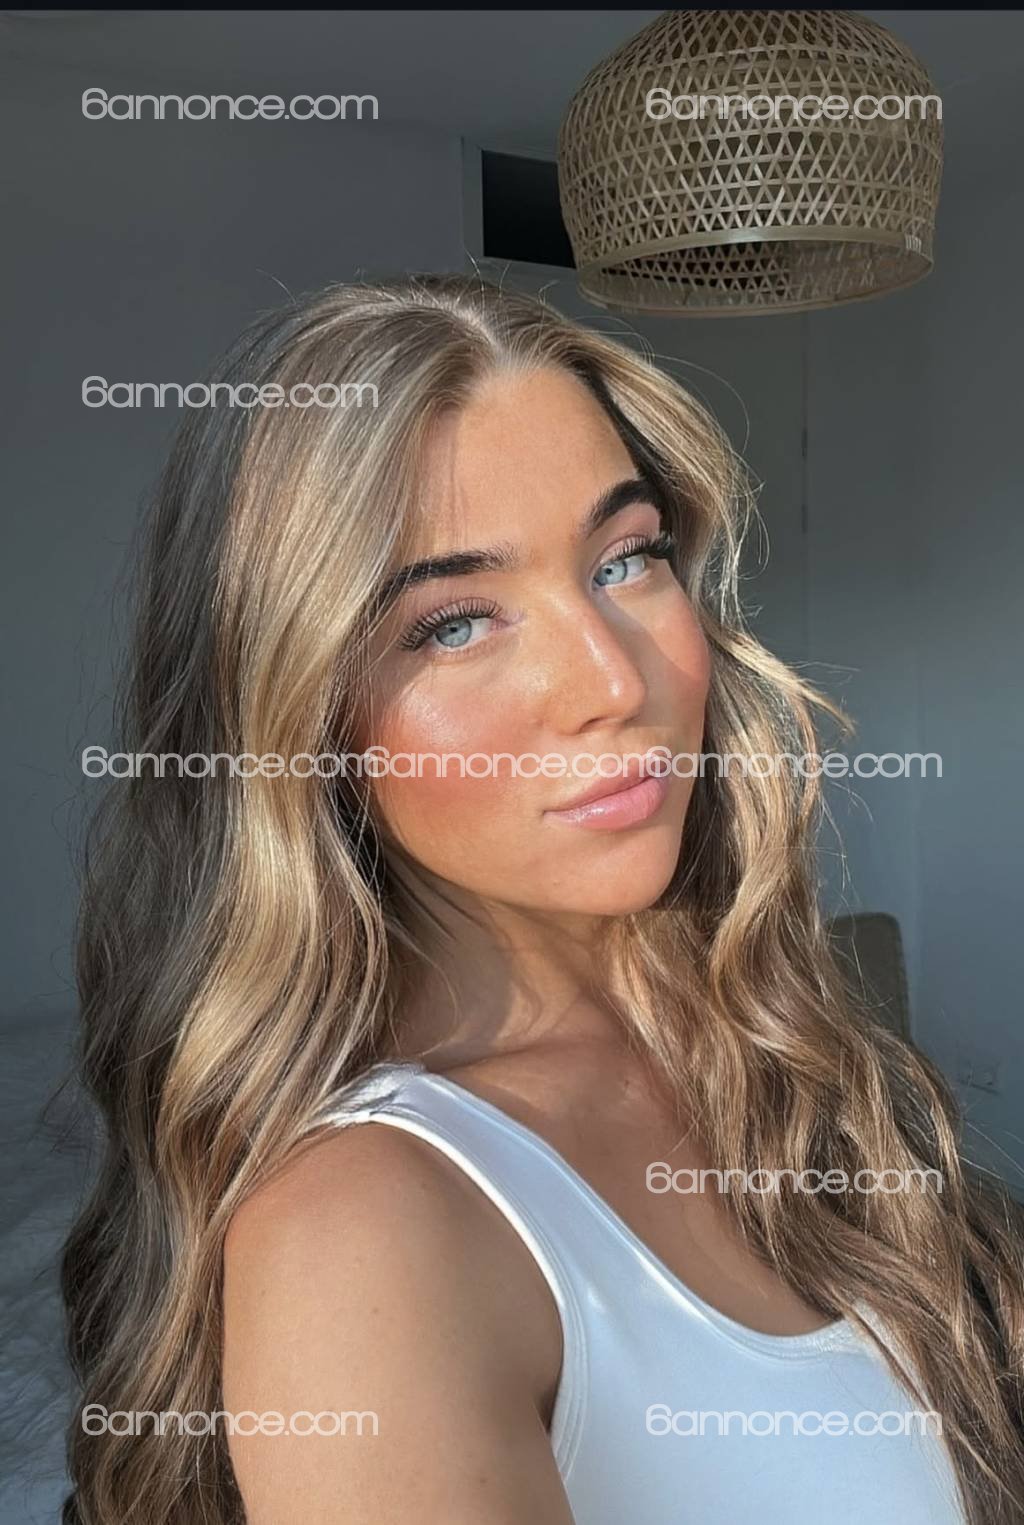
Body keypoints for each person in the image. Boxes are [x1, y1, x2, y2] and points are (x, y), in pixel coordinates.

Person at [62, 275, 1024, 1524]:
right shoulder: (368, 1228)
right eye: (454, 624)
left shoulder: (752, 1032)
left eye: (626, 559)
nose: (612, 681)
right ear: (295, 722)